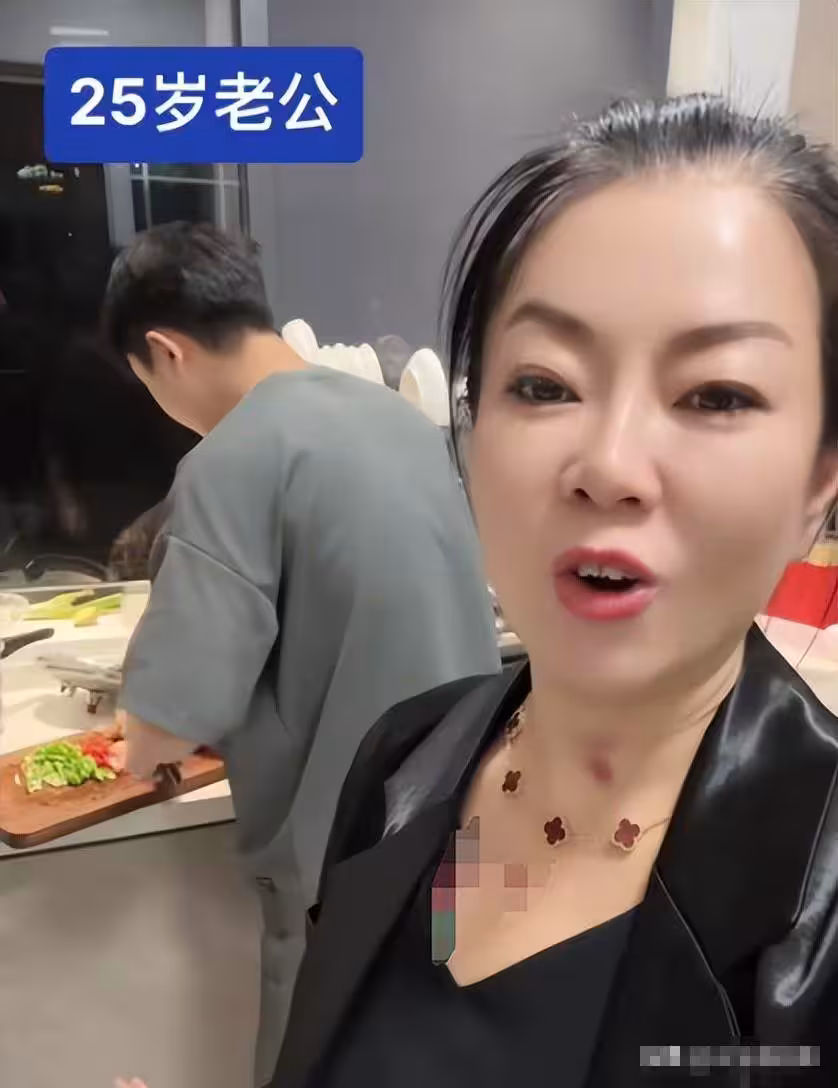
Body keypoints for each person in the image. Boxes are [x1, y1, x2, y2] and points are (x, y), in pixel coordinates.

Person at [264, 96, 838, 1088]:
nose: (608, 464)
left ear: (820, 481)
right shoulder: (407, 763)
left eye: (715, 395)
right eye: (544, 384)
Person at [100, 222, 500, 1088]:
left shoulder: (230, 460)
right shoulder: (400, 423)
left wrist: (141, 732)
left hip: (339, 875)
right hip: (464, 842)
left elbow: (162, 728)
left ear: (166, 352)